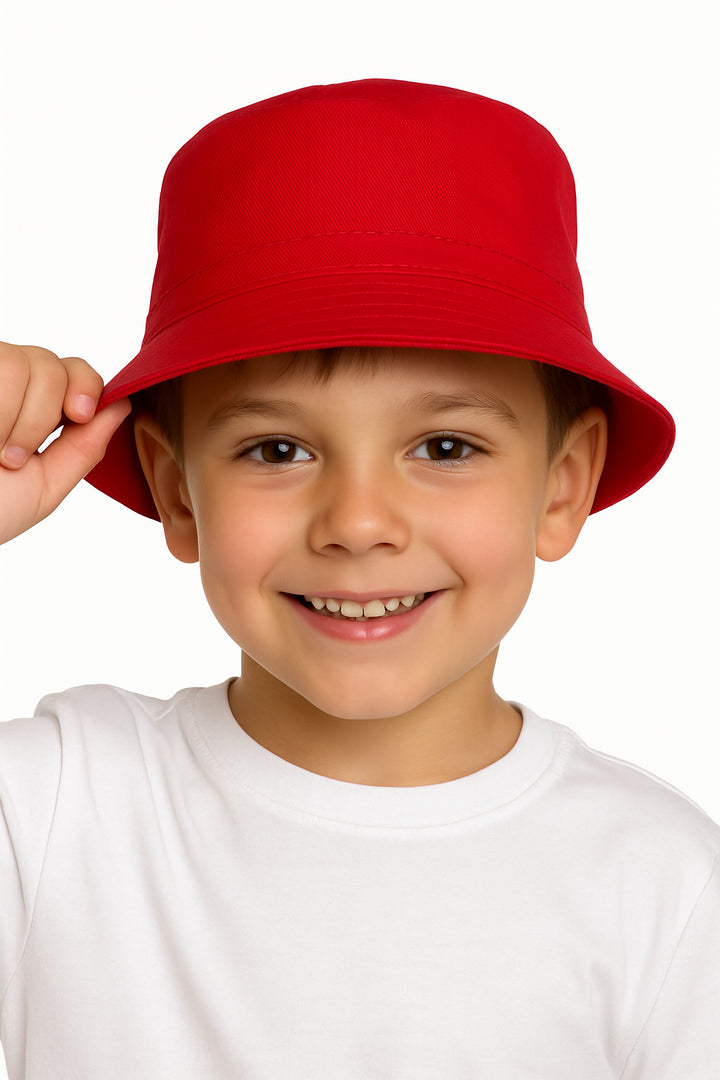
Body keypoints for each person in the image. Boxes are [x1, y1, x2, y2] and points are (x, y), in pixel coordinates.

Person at [0, 79, 717, 1079]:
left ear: (563, 486)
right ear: (176, 491)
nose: (360, 524)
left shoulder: (664, 885)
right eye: (278, 451)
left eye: (446, 446)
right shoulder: (50, 812)